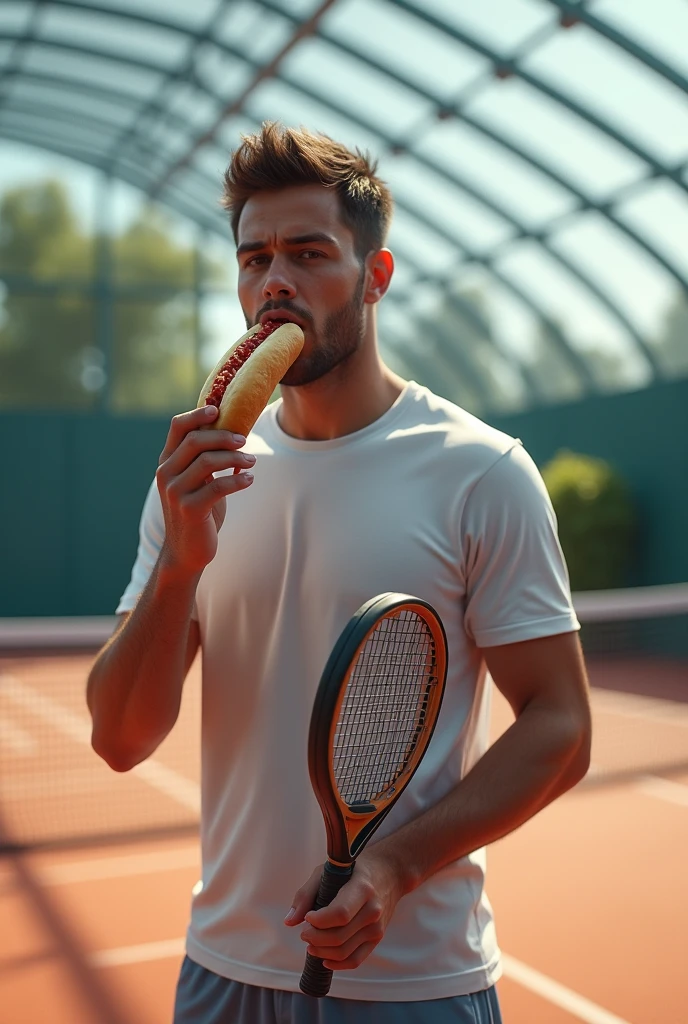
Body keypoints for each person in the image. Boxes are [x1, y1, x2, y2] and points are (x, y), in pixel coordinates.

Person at [87, 122, 592, 1024]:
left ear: (376, 276)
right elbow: (120, 739)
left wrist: (394, 868)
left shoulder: (481, 472)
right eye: (255, 259)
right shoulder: (197, 474)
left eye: (309, 253)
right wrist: (178, 566)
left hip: (413, 984)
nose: (273, 280)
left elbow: (560, 723)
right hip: (219, 973)